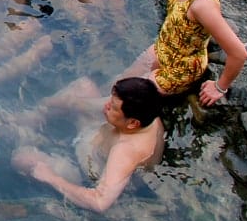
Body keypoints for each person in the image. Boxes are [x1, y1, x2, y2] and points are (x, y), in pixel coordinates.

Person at [12, 77, 164, 213]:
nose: (107, 106)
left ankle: (23, 136)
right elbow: (85, 104)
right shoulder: (147, 112)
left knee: (24, 158)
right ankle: (29, 119)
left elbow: (100, 202)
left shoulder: (125, 151)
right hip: (99, 137)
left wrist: (51, 178)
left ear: (132, 123)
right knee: (83, 86)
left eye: (113, 107)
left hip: (90, 170)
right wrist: (57, 104)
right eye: (111, 100)